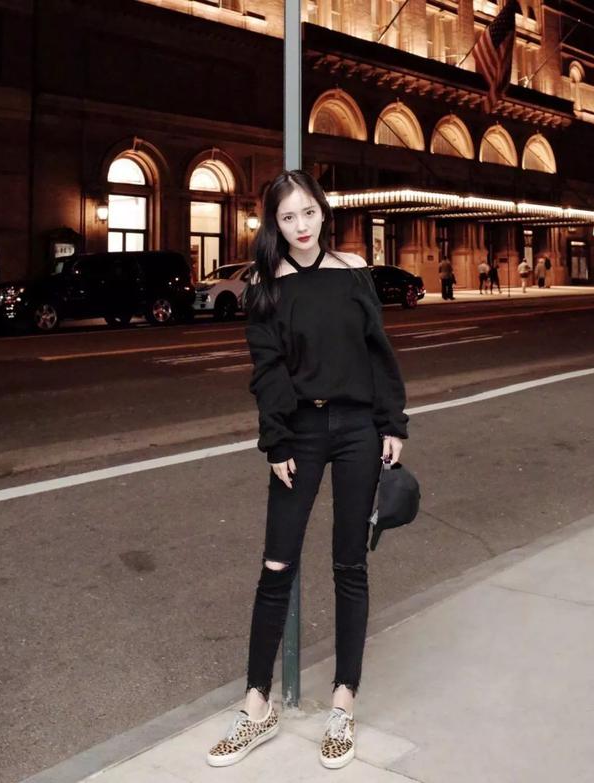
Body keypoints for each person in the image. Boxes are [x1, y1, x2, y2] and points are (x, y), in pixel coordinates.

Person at [206, 170, 408, 770]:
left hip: (359, 430)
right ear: (275, 222)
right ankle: (256, 706)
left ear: (324, 212)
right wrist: (276, 441)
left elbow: (378, 351)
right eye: (288, 217)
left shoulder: (353, 271)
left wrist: (393, 423)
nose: (301, 226)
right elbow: (267, 369)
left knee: (350, 565)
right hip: (300, 434)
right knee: (277, 565)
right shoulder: (266, 285)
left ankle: (343, 702)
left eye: (309, 213)